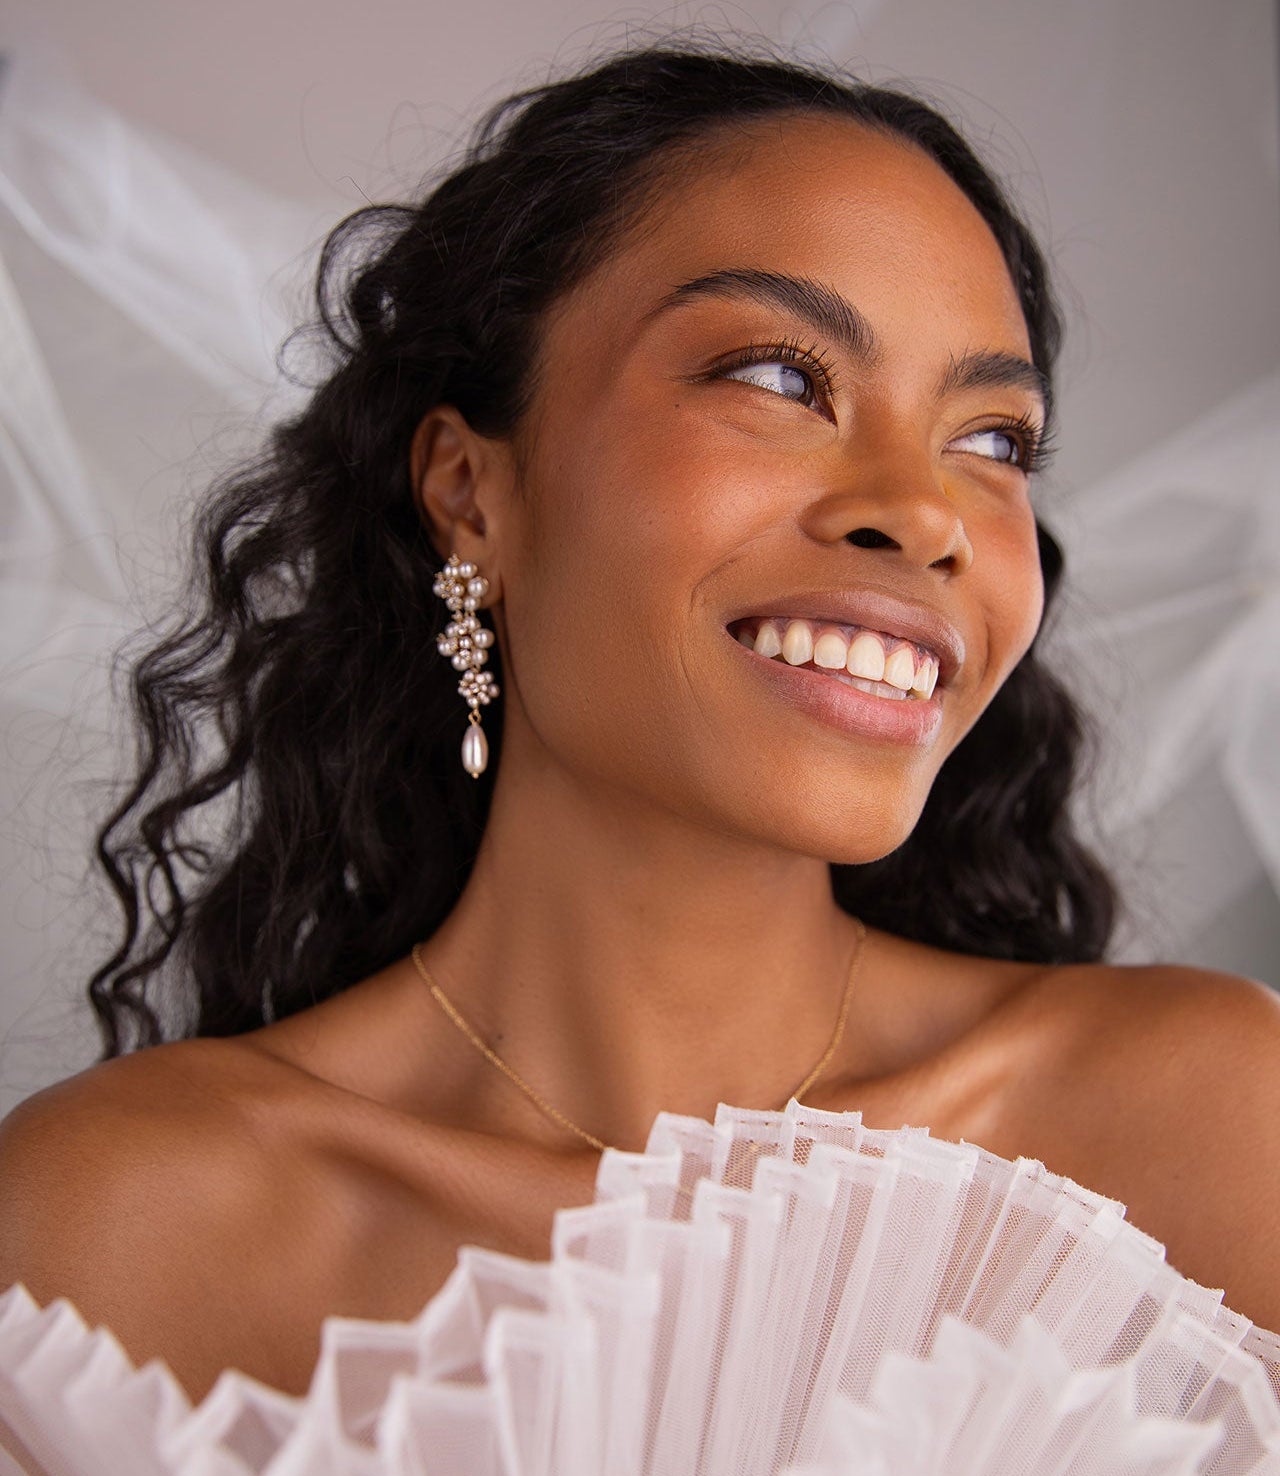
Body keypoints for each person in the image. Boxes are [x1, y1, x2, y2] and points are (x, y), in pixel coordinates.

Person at [1, 44, 1276, 1405]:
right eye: (781, 379)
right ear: (471, 495)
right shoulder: (115, 1239)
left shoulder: (1209, 1126)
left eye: (996, 441)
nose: (923, 513)